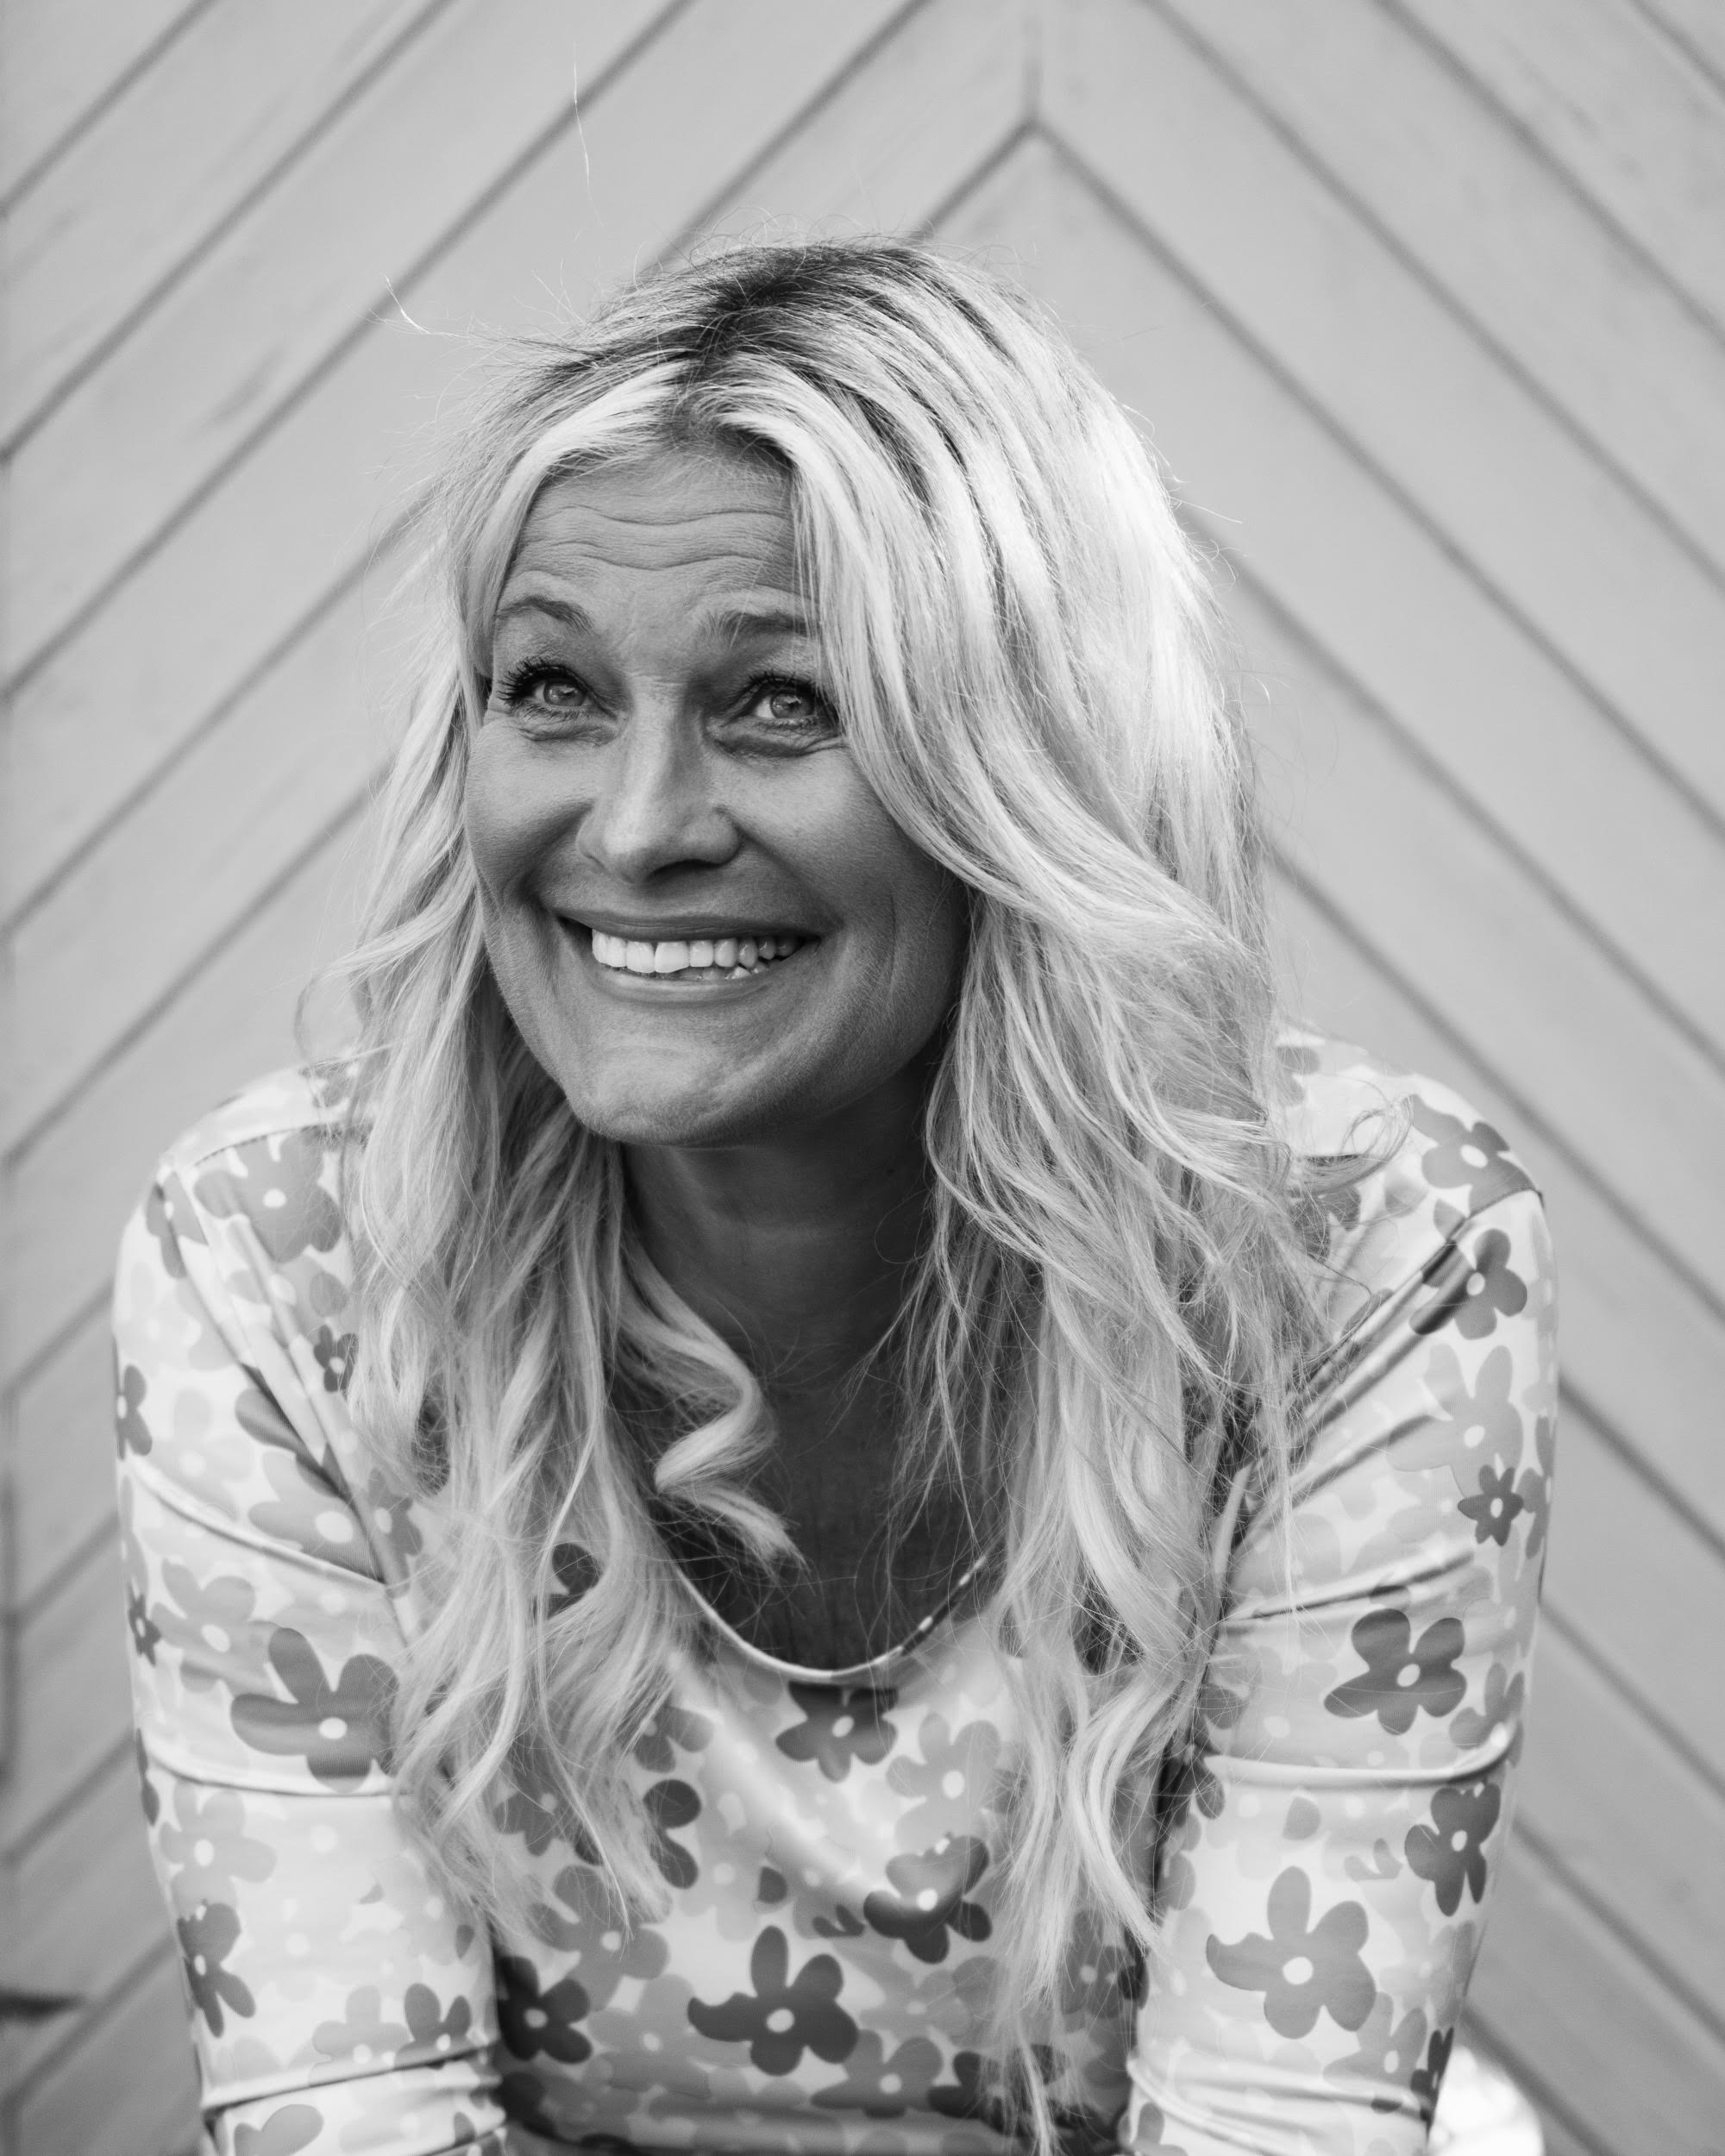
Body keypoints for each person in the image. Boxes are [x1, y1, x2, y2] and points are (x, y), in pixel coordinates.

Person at [114, 238, 1556, 2156]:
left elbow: (1275, 2124)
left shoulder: (1365, 1257)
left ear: (1030, 766)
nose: (637, 826)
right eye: (554, 687)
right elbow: (346, 2116)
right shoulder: (290, 1260)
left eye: (783, 702)